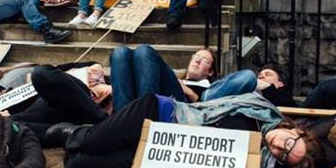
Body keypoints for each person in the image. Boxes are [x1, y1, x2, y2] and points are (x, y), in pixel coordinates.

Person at [46, 93, 323, 168]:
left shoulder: (262, 164)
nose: (277, 148)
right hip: (163, 114)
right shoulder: (261, 108)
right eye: (286, 143)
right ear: (295, 129)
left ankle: (77, 136)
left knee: (78, 167)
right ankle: (75, 132)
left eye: (283, 156)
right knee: (91, 141)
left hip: (165, 155)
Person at [110, 45, 256, 111]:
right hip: (156, 94)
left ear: (211, 72)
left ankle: (141, 114)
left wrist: (189, 92)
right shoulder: (174, 77)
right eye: (196, 57)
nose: (197, 60)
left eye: (204, 60)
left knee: (144, 51)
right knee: (120, 53)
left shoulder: (209, 87)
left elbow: (247, 79)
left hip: (182, 105)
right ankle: (122, 117)